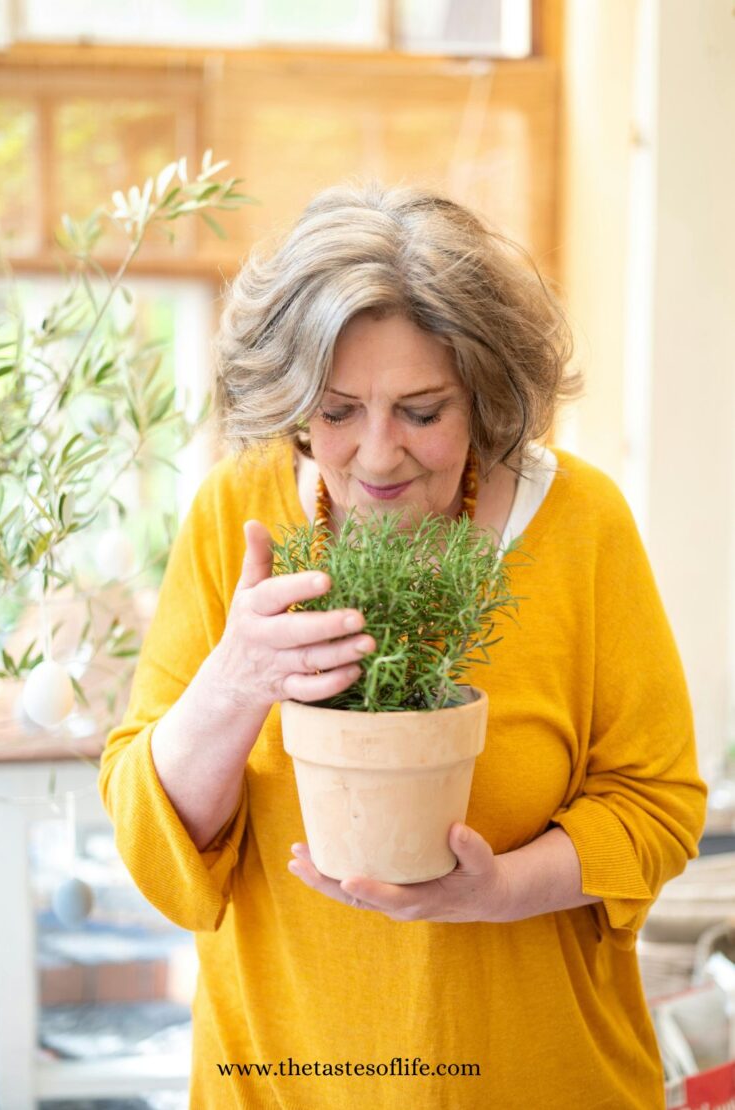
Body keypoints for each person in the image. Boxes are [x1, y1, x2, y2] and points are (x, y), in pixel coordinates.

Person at [98, 181, 707, 1109]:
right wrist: (235, 681)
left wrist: (494, 889)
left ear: (489, 397)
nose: (377, 457)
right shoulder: (238, 511)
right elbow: (156, 849)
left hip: (543, 1080)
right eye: (337, 413)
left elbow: (657, 809)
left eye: (422, 413)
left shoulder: (582, 525)